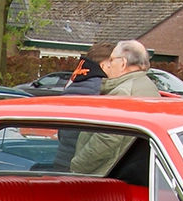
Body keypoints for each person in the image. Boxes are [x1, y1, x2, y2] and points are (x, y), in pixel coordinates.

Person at [69, 40, 160, 176]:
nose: (108, 66)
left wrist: (78, 165)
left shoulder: (123, 92)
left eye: (111, 60)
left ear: (122, 63)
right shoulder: (149, 87)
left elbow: (107, 139)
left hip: (108, 173)